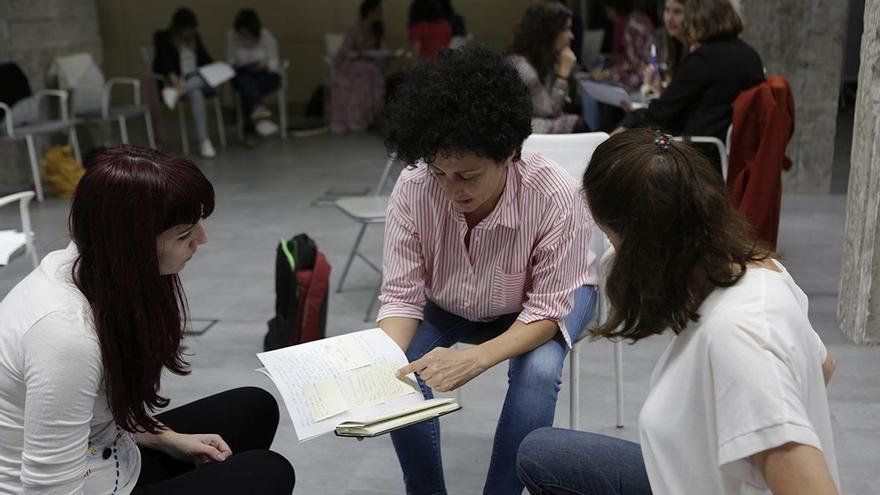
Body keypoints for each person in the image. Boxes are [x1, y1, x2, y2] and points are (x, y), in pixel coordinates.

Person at [516, 129, 840, 495]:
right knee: (543, 451)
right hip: (690, 474)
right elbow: (823, 365)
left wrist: (751, 404)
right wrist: (733, 424)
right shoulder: (756, 269)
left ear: (646, 246)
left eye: (612, 238)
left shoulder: (739, 336)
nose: (611, 253)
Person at [0, 145, 296, 494]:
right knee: (266, 473)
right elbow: (46, 490)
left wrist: (168, 439)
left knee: (252, 407)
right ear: (132, 246)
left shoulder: (97, 270)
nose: (201, 239)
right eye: (184, 234)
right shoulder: (65, 335)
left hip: (105, 456)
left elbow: (102, 410)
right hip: (73, 484)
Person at [379, 46, 598, 495]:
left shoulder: (555, 194)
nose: (451, 188)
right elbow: (402, 297)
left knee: (537, 374)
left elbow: (545, 309)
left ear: (511, 154)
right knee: (394, 371)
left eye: (468, 176)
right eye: (441, 172)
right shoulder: (415, 187)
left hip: (542, 302)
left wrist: (475, 358)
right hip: (452, 299)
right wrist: (373, 362)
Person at [618, 0, 764, 145]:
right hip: (732, 149)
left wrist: (630, 121)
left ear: (699, 20)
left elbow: (660, 115)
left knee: (626, 137)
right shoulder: (751, 55)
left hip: (698, 151)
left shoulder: (704, 59)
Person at [509, 3, 586, 134]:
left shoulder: (546, 60)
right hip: (518, 130)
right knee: (575, 123)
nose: (571, 36)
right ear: (550, 32)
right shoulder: (522, 67)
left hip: (535, 123)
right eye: (566, 29)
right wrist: (563, 75)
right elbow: (550, 113)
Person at [153, 7, 218, 158]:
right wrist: (172, 77)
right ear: (178, 27)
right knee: (196, 94)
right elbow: (161, 61)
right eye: (186, 29)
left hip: (197, 78)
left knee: (199, 80)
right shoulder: (162, 37)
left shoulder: (196, 38)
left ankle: (175, 93)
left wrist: (217, 70)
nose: (189, 33)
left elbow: (206, 60)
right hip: (178, 80)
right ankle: (204, 142)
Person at [329, 0, 386, 134]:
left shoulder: (378, 28)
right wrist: (360, 54)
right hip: (350, 64)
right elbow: (344, 51)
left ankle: (370, 117)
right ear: (370, 11)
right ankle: (357, 119)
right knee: (370, 72)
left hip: (369, 63)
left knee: (373, 72)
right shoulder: (354, 27)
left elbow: (380, 47)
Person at [226, 8, 282, 146]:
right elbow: (230, 61)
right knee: (245, 81)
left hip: (264, 74)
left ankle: (250, 131)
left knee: (248, 90)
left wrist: (262, 67)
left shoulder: (266, 36)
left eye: (247, 33)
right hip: (242, 73)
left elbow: (274, 62)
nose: (244, 36)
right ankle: (259, 110)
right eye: (242, 33)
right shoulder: (232, 36)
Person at [591, 0, 654, 91]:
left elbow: (634, 63)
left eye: (608, 10)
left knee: (597, 85)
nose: (608, 15)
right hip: (651, 68)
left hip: (644, 75)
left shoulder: (630, 26)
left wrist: (607, 73)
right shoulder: (641, 18)